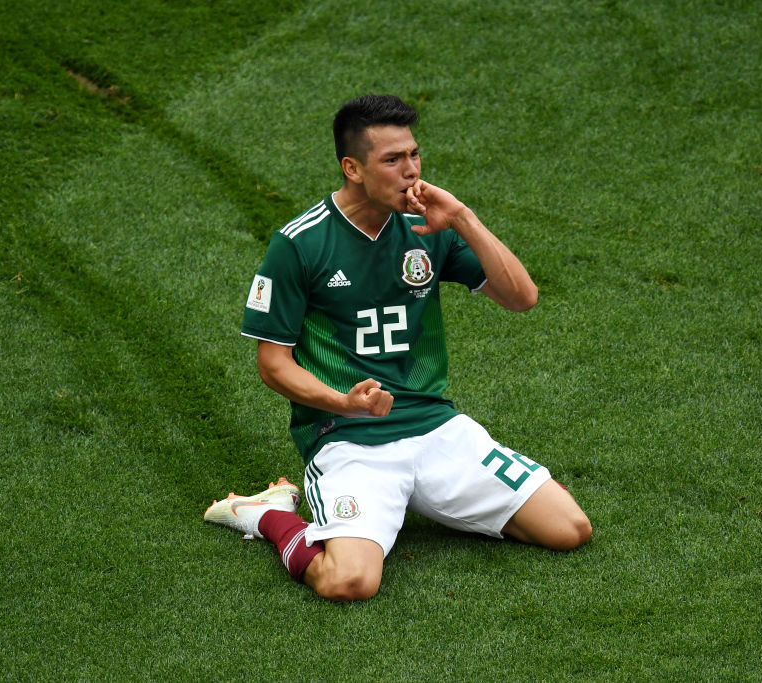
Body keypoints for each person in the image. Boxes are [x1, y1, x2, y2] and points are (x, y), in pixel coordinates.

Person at [205, 94, 590, 601]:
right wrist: (344, 403)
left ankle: (417, 499)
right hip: (349, 438)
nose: (411, 172)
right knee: (349, 582)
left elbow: (523, 298)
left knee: (570, 530)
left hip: (435, 427)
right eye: (392, 159)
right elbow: (273, 365)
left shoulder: (427, 224)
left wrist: (463, 219)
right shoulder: (300, 244)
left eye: (414, 155)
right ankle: (270, 514)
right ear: (353, 168)